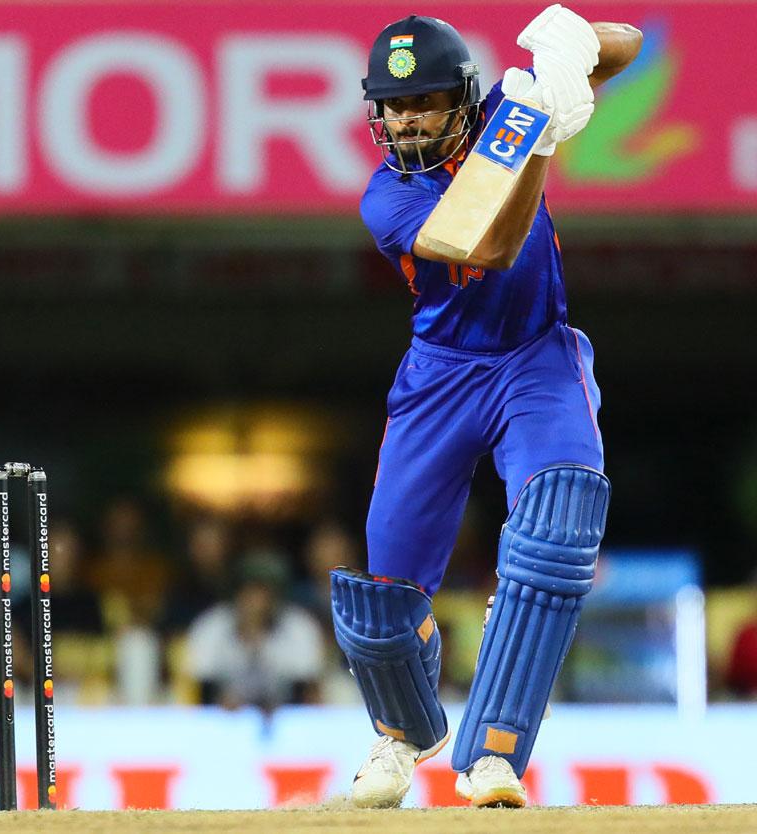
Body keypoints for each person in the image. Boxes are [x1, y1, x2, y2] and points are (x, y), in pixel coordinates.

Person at [329, 7, 641, 809]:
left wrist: (567, 59)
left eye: (424, 100)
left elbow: (629, 46)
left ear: (462, 98)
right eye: (392, 105)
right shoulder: (386, 198)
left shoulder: (512, 106)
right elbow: (487, 244)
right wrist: (537, 139)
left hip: (536, 358)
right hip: (440, 375)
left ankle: (494, 754)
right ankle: (403, 736)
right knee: (383, 602)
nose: (405, 119)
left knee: (556, 528)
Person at [186, 550, 325, 712]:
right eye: (249, 590)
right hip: (221, 720)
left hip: (286, 719)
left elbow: (308, 690)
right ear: (236, 592)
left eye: (264, 591)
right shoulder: (211, 626)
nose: (256, 600)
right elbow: (200, 688)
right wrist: (220, 702)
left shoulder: (299, 626)